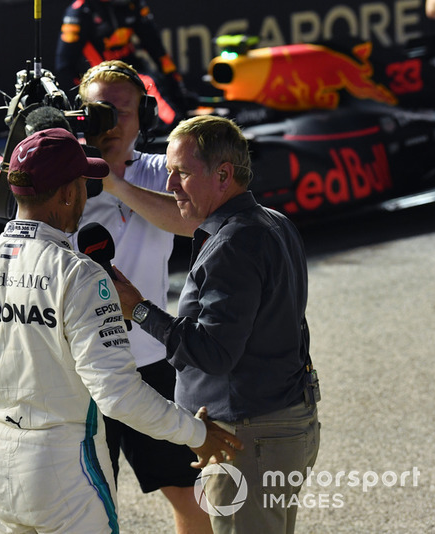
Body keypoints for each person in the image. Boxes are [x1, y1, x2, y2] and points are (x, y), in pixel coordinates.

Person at [0, 127, 242, 533]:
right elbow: (117, 395)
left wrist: (14, 405)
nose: (87, 193)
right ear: (67, 193)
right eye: (83, 183)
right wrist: (197, 433)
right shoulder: (80, 276)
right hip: (65, 469)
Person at [111, 115, 320, 533]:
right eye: (168, 172)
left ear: (224, 175)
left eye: (182, 174)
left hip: (248, 438)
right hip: (275, 427)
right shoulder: (272, 222)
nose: (170, 186)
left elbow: (214, 351)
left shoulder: (233, 243)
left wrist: (137, 309)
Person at [74, 59, 212, 534]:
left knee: (189, 494)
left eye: (121, 111)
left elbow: (191, 221)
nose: (109, 123)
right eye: (97, 111)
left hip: (148, 361)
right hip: (80, 368)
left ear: (144, 117)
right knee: (88, 505)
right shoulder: (59, 181)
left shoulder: (159, 172)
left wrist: (112, 181)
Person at [55, 0, 194, 126]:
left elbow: (158, 50)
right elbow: (64, 66)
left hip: (132, 70)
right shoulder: (79, 12)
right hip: (99, 78)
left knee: (158, 82)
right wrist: (84, 97)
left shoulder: (133, 4)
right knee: (148, 84)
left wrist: (177, 86)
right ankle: (175, 125)